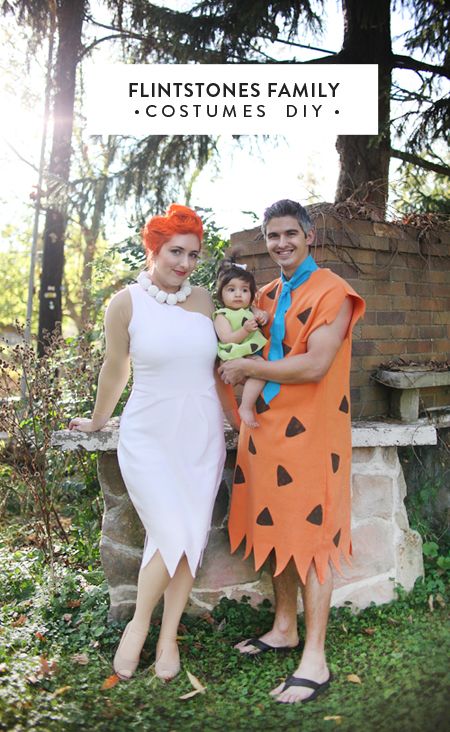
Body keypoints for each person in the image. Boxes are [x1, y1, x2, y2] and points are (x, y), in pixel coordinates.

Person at [69, 204, 239, 682]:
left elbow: (220, 368)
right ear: (154, 249)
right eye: (175, 252)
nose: (184, 263)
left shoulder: (205, 300)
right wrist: (100, 419)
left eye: (193, 254)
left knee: (188, 537)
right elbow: (115, 367)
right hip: (147, 434)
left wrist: (238, 420)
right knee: (170, 530)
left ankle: (168, 638)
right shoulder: (125, 302)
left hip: (201, 434)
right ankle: (140, 627)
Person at [219, 199, 365, 704]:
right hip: (266, 430)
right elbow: (238, 344)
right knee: (275, 525)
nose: (281, 243)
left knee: (314, 533)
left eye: (290, 234)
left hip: (314, 434)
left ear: (309, 237)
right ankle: (284, 627)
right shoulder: (263, 293)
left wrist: (249, 372)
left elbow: (315, 365)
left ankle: (316, 659)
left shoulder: (335, 292)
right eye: (273, 236)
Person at [213, 259, 268, 427]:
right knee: (261, 369)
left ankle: (247, 405)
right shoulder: (222, 315)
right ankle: (245, 407)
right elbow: (226, 338)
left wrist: (263, 316)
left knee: (261, 370)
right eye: (231, 289)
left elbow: (262, 315)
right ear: (221, 293)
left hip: (249, 353)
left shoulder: (250, 310)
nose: (238, 294)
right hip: (234, 354)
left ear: (252, 294)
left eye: (244, 290)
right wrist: (244, 330)